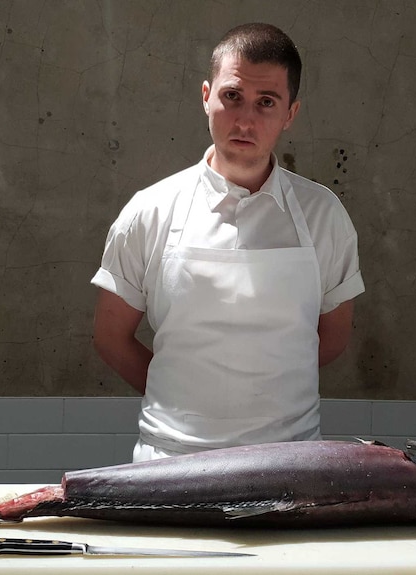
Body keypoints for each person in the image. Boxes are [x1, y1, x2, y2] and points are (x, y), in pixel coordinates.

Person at [91, 22, 365, 462]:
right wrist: (183, 403)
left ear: (290, 114)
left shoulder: (323, 215)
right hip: (170, 465)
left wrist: (262, 399)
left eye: (266, 103)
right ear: (206, 96)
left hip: (290, 467)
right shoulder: (150, 210)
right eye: (232, 96)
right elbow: (110, 337)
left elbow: (331, 339)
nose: (245, 120)